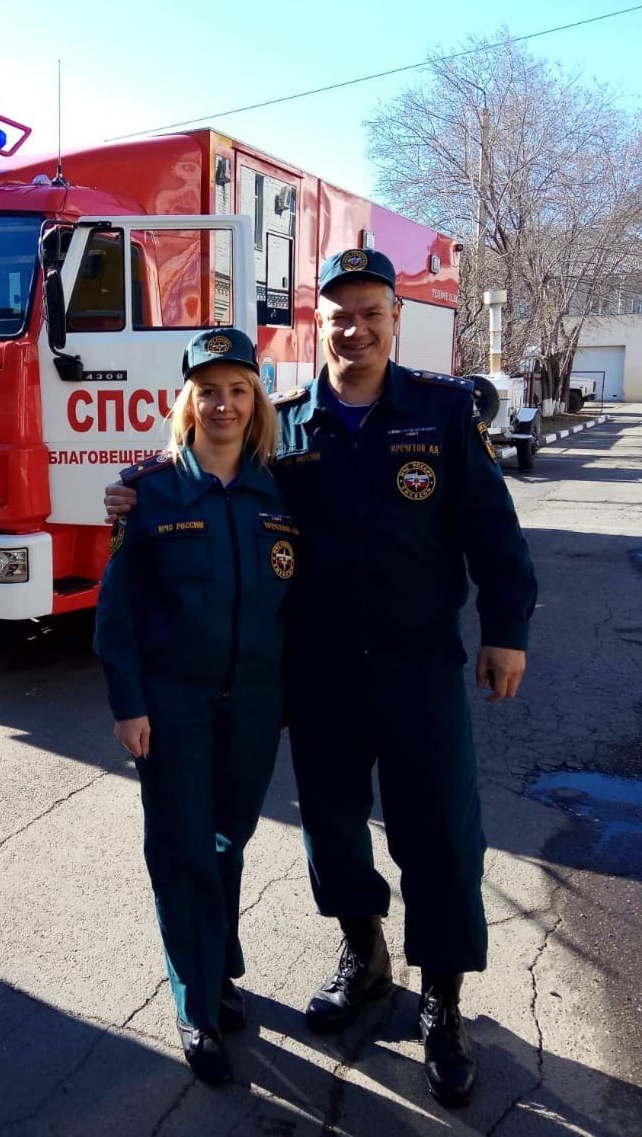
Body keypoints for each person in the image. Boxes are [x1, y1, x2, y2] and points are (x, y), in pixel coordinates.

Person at [105, 249, 537, 1107]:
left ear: (393, 321)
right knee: (331, 829)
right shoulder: (290, 430)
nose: (356, 327)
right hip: (322, 674)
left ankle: (442, 1001)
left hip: (419, 667)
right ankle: (364, 954)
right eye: (340, 315)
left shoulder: (444, 414)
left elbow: (496, 533)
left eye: (371, 311)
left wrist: (507, 633)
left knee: (440, 834)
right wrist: (139, 484)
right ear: (321, 326)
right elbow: (212, 481)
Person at [94, 327, 297, 1086]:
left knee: (229, 841)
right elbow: (117, 611)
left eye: (238, 390)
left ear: (256, 403)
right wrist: (128, 701)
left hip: (253, 703)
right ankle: (195, 1003)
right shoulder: (146, 492)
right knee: (181, 850)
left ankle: (219, 971)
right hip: (173, 704)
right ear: (188, 401)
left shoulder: (279, 491)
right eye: (208, 390)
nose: (223, 403)